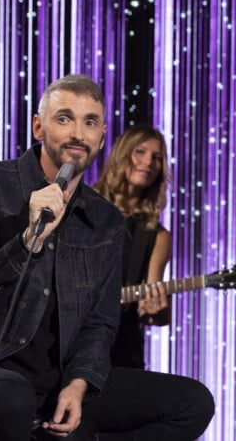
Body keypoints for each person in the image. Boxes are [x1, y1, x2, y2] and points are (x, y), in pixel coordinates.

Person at [0, 75, 214, 440]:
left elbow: (100, 323)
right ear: (38, 127)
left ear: (102, 137)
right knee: (12, 397)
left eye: (90, 122)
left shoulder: (105, 219)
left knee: (193, 402)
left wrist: (79, 383)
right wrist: (29, 240)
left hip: (59, 379)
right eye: (64, 118)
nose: (78, 133)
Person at [94, 125, 172, 369]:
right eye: (140, 152)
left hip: (121, 351)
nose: (148, 161)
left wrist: (156, 308)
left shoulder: (157, 235)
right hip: (68, 348)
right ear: (122, 154)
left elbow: (157, 314)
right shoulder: (83, 206)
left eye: (157, 158)